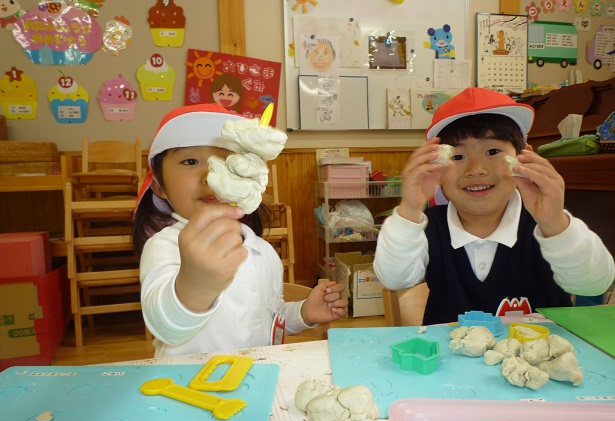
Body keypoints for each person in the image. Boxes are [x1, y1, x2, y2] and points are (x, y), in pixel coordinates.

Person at [374, 87, 615, 325]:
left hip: (543, 360)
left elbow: (594, 283)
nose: (476, 169)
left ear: (523, 158)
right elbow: (395, 279)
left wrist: (554, 223)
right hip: (450, 361)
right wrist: (409, 208)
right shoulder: (427, 227)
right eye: (457, 157)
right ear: (436, 167)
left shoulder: (546, 224)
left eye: (492, 151)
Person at [133, 103, 347, 357]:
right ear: (159, 186)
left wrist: (302, 313)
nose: (211, 174)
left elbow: (268, 317)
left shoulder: (262, 251)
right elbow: (165, 327)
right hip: (188, 390)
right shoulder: (165, 246)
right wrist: (195, 286)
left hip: (254, 383)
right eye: (190, 161)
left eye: (226, 160)